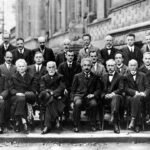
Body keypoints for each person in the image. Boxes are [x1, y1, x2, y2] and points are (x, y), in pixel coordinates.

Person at [71, 57, 101, 132]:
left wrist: (93, 95)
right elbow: (73, 90)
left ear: (91, 66)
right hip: (79, 96)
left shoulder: (95, 77)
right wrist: (71, 101)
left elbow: (98, 89)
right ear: (82, 66)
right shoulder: (77, 76)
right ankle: (76, 125)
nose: (86, 67)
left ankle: (93, 124)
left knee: (94, 104)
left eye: (88, 65)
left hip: (89, 97)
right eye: (84, 65)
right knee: (77, 103)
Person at [10, 59, 36, 133]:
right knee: (21, 99)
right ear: (17, 68)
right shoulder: (13, 77)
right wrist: (17, 93)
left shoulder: (31, 77)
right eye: (20, 66)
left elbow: (33, 89)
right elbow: (11, 89)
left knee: (22, 99)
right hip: (15, 96)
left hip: (27, 95)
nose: (21, 68)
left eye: (23, 66)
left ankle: (18, 121)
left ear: (26, 67)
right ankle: (24, 122)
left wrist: (25, 94)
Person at [39, 61, 65, 134]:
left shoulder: (60, 77)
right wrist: (50, 93)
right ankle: (56, 119)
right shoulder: (43, 78)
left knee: (50, 102)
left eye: (53, 67)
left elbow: (61, 87)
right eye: (49, 67)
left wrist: (52, 93)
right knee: (51, 100)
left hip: (58, 97)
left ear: (56, 68)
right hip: (47, 98)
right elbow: (42, 89)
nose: (51, 69)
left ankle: (47, 126)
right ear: (47, 68)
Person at [125, 59, 150, 133]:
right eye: (131, 65)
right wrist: (135, 92)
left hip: (142, 97)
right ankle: (137, 125)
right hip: (130, 97)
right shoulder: (125, 76)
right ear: (128, 66)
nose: (133, 67)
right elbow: (125, 88)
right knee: (136, 99)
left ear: (137, 66)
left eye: (134, 65)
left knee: (138, 99)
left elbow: (148, 87)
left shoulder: (143, 75)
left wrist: (144, 93)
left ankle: (133, 120)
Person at [101, 59, 124, 134]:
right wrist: (105, 95)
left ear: (115, 66)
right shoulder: (103, 76)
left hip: (117, 98)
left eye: (112, 66)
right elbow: (100, 89)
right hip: (106, 98)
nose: (110, 67)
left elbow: (121, 89)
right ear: (106, 67)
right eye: (108, 66)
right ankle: (114, 120)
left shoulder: (120, 76)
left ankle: (114, 122)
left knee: (116, 97)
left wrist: (112, 94)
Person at [58, 50, 81, 119]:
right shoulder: (61, 66)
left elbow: (79, 79)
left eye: (72, 55)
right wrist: (64, 88)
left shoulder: (77, 65)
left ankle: (75, 117)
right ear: (66, 56)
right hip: (65, 88)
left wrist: (75, 89)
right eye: (69, 55)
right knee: (64, 97)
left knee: (74, 97)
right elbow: (60, 79)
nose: (70, 57)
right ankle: (65, 114)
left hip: (75, 87)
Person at [0, 51, 16, 129]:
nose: (9, 59)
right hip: (3, 90)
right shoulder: (0, 67)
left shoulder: (15, 67)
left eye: (10, 57)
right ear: (4, 57)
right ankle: (3, 123)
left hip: (12, 91)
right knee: (4, 104)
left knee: (12, 104)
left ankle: (10, 121)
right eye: (7, 57)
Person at [139, 52, 150, 124]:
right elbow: (140, 83)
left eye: (149, 59)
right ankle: (146, 117)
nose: (148, 60)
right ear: (143, 59)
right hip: (145, 90)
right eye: (146, 58)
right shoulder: (140, 70)